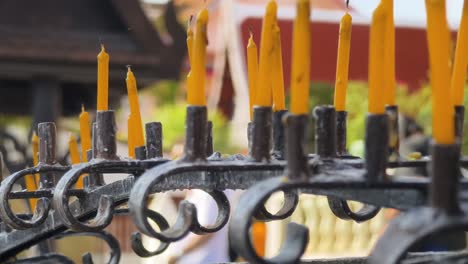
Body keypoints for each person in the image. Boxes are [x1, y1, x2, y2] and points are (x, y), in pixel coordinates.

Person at [167, 189, 232, 264]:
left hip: (206, 260)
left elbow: (209, 230)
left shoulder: (210, 191)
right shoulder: (199, 189)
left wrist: (178, 254)